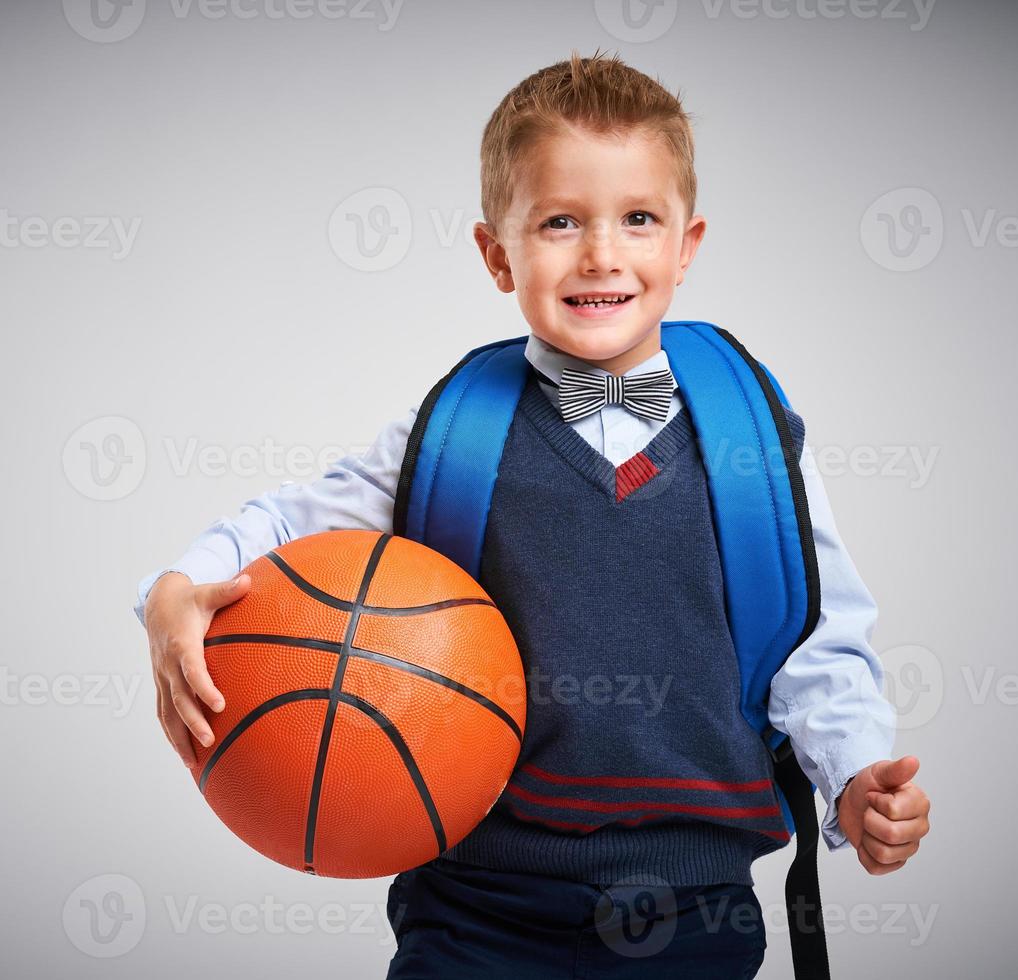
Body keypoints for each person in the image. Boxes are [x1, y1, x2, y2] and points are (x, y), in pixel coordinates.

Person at [135, 50, 930, 979]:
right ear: (496, 253)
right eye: (560, 222)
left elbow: (814, 641)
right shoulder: (455, 434)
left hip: (694, 899)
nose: (601, 252)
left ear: (688, 244)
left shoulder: (752, 434)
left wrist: (855, 778)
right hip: (474, 900)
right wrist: (175, 589)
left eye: (638, 219)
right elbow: (288, 523)